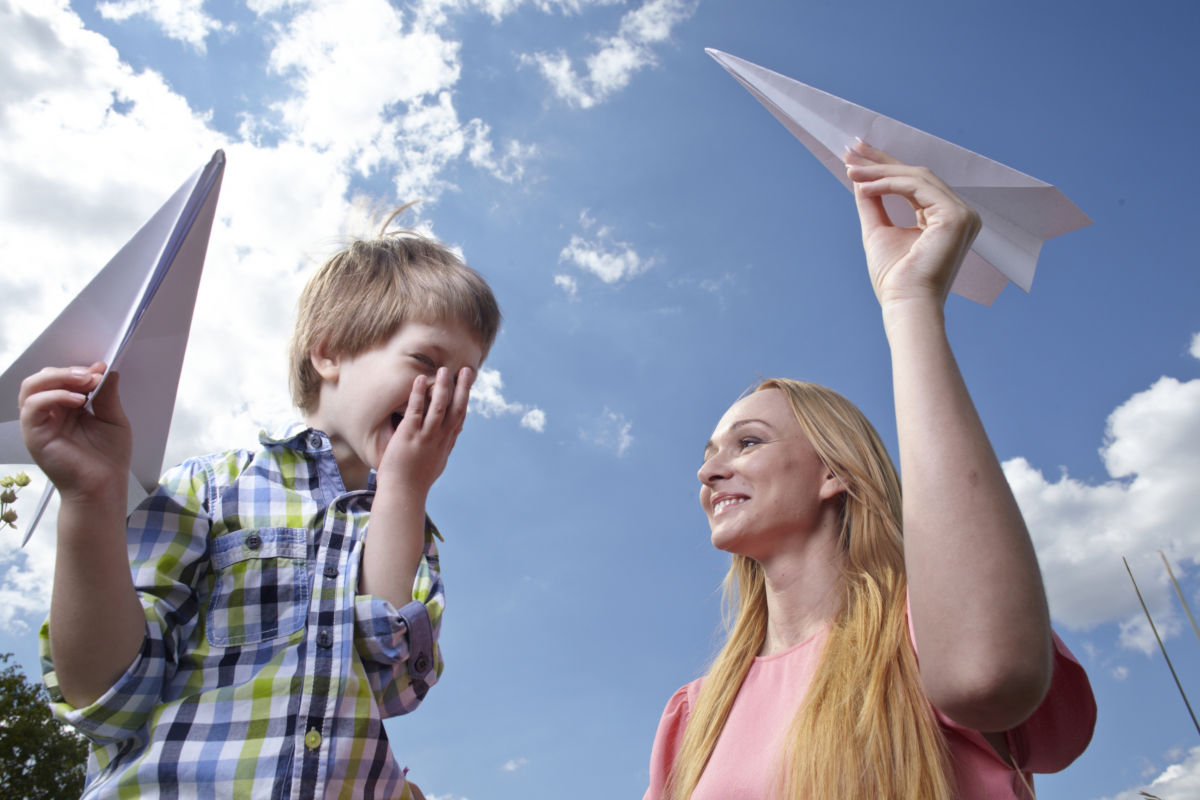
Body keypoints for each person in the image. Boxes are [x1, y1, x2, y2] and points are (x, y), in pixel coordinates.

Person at [643, 141, 1096, 800]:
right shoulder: (693, 718)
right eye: (708, 454)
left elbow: (985, 675)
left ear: (836, 474)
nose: (709, 473)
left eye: (747, 442)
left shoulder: (927, 635)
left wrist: (909, 303)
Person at [19, 210, 501, 799]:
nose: (440, 394)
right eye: (426, 363)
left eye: (462, 381)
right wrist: (90, 499)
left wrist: (402, 489)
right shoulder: (211, 487)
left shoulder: (411, 535)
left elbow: (394, 682)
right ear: (330, 353)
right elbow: (107, 694)